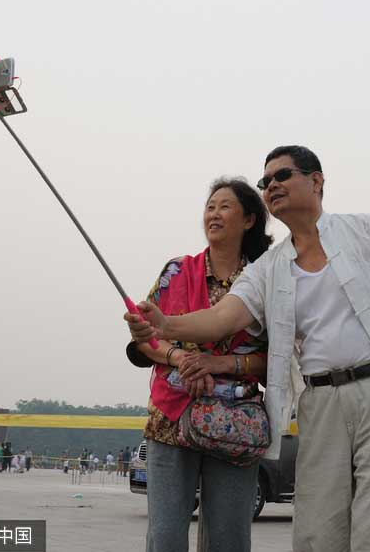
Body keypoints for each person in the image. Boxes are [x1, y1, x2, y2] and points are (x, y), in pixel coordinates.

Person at [127, 146, 370, 552]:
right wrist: (165, 324)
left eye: (282, 176)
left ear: (316, 181)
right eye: (266, 182)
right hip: (319, 403)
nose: (272, 186)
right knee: (316, 531)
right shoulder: (269, 267)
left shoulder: (369, 231)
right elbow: (223, 316)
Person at [125, 176, 272, 552]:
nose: (214, 214)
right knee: (166, 536)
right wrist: (180, 358)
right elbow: (147, 338)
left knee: (230, 538)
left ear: (250, 220)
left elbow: (279, 358)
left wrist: (219, 364)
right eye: (210, 207)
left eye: (225, 206)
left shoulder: (266, 280)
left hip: (235, 424)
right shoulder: (176, 271)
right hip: (171, 419)